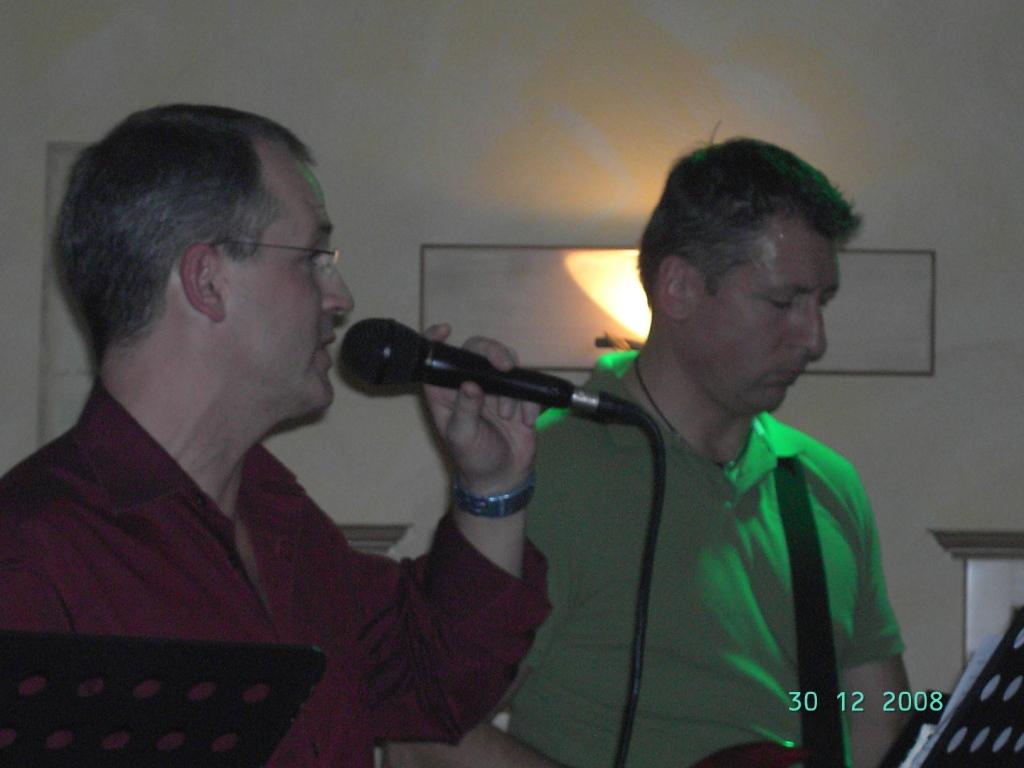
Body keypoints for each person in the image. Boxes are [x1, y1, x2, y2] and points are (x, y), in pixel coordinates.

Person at [0, 104, 550, 768]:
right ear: (208, 281)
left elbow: (437, 684)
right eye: (313, 257)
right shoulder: (33, 555)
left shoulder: (280, 521)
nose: (340, 296)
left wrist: (491, 486)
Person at [385, 139, 909, 768]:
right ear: (680, 288)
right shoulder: (544, 471)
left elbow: (880, 722)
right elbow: (424, 740)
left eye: (821, 303)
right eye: (782, 302)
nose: (814, 339)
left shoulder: (825, 484)